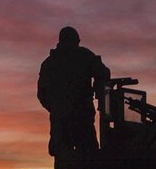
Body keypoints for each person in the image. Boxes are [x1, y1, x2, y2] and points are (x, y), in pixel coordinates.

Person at [37, 26, 110, 157]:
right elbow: (103, 73)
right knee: (88, 158)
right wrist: (98, 87)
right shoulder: (84, 55)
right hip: (82, 117)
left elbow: (42, 94)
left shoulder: (48, 64)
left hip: (61, 119)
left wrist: (55, 108)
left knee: (64, 162)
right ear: (76, 41)